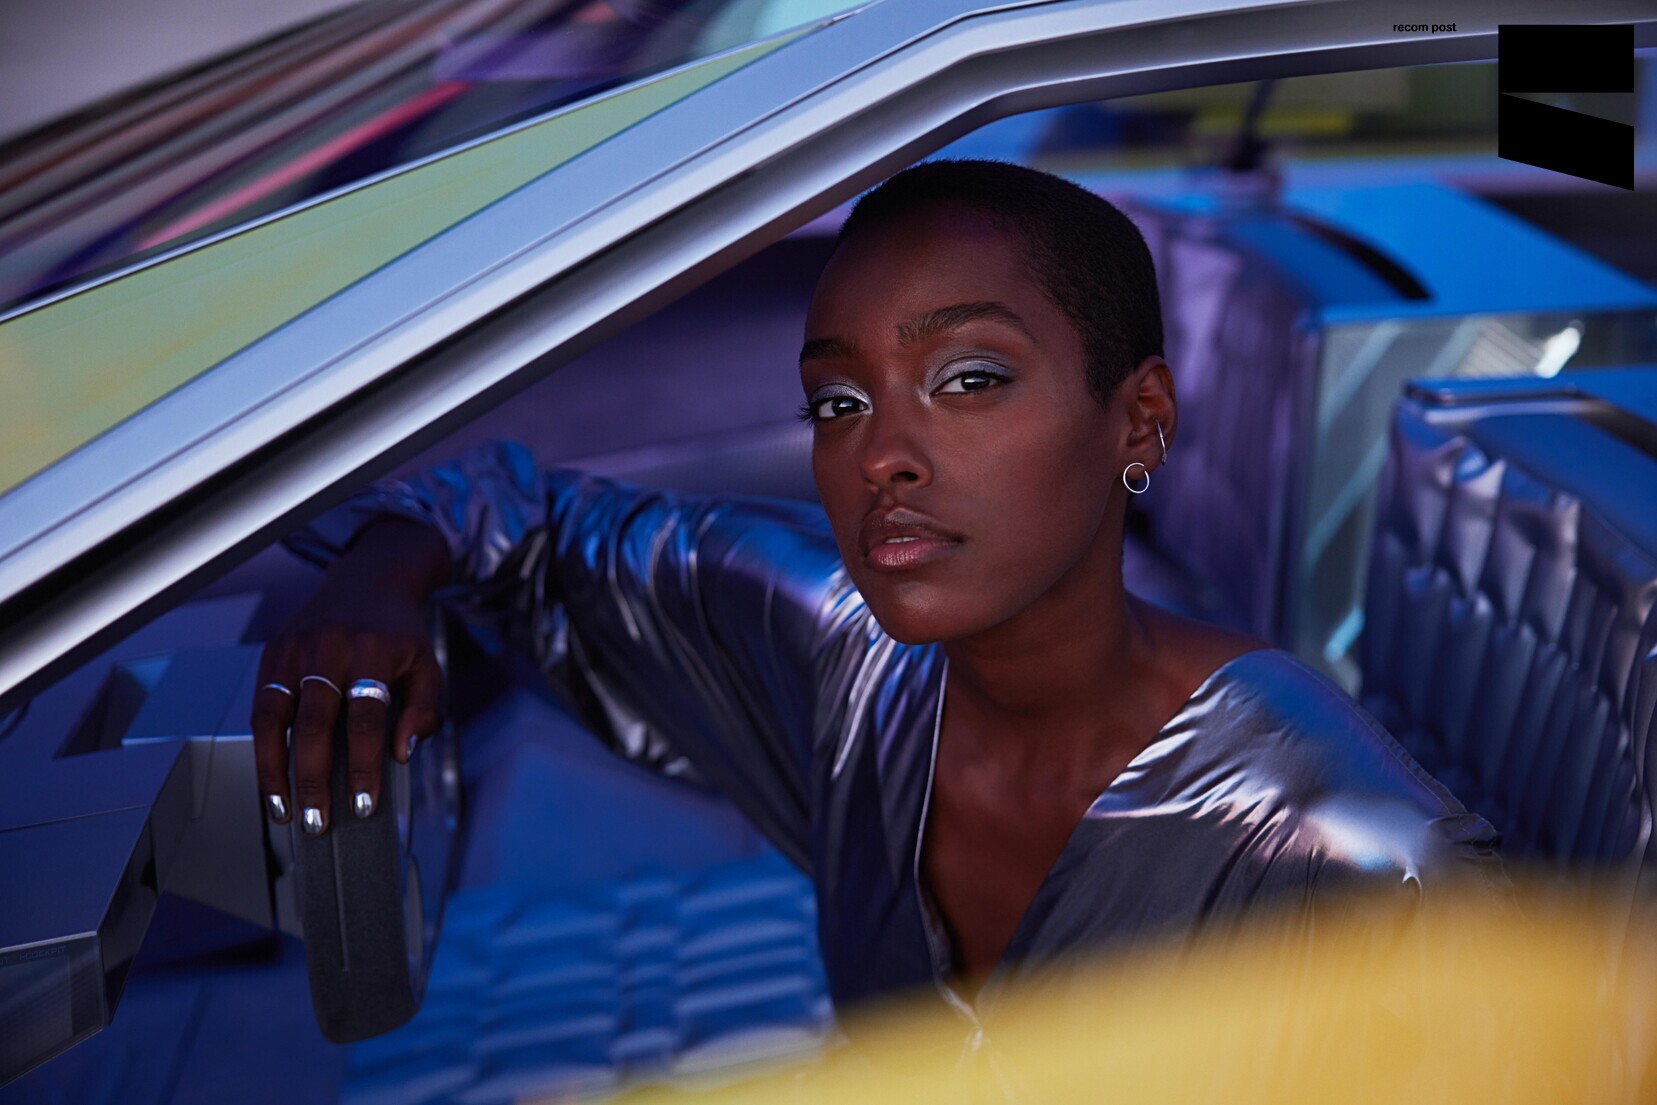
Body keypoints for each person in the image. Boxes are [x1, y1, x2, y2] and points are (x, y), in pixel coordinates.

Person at [254, 160, 1507, 1022]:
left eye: (968, 380)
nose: (880, 455)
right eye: (838, 401)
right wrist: (375, 584)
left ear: (1139, 418)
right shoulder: (849, 666)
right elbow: (521, 517)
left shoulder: (1352, 853)